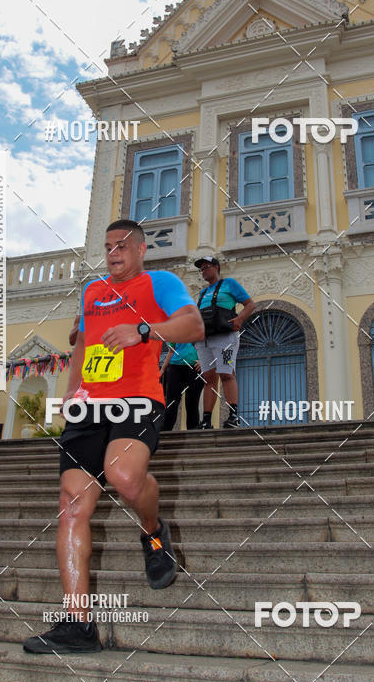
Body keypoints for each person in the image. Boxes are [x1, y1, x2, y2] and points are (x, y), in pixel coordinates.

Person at [23, 219, 204, 654]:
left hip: (138, 399)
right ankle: (78, 625)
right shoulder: (93, 291)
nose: (113, 253)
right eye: (107, 247)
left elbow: (194, 325)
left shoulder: (160, 282)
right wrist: (71, 392)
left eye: (122, 246)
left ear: (142, 249)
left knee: (123, 476)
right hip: (89, 406)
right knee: (71, 508)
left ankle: (154, 531)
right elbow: (83, 342)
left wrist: (143, 330)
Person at [193, 256, 255, 430]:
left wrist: (239, 319)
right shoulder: (203, 293)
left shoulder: (229, 284)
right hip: (205, 340)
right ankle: (206, 420)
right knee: (209, 379)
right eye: (202, 268)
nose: (204, 270)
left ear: (217, 267)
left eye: (207, 266)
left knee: (227, 374)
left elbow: (250, 304)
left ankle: (233, 416)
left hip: (225, 337)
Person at [160, 342, 204, 431]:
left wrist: (203, 361)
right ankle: (165, 431)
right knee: (171, 401)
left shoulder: (200, 329)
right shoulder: (178, 330)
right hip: (175, 366)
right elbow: (171, 350)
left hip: (195, 367)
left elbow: (207, 347)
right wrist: (162, 369)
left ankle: (193, 431)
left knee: (192, 402)